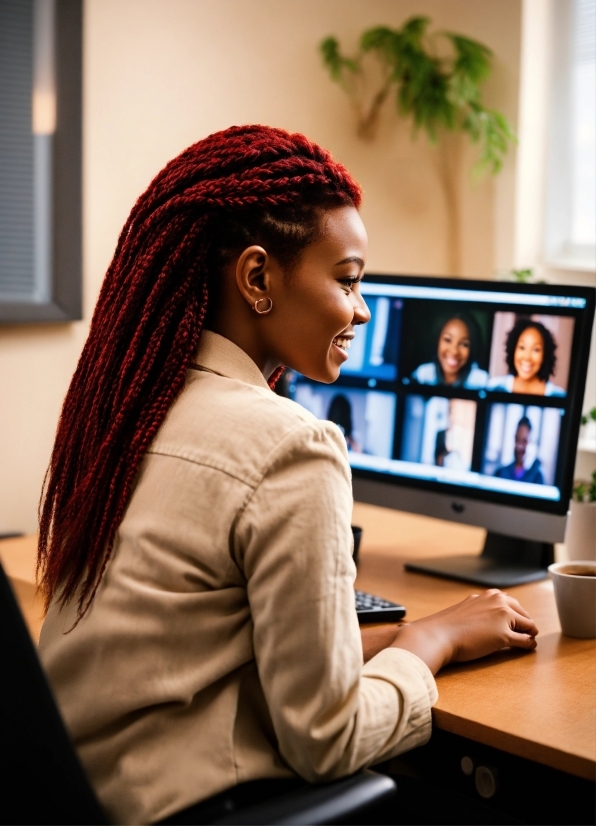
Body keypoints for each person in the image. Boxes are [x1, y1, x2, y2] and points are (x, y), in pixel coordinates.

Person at [36, 126, 538, 825]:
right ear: (256, 278)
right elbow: (324, 741)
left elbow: (199, 634)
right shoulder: (291, 445)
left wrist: (369, 637)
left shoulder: (132, 409)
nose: (362, 308)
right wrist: (434, 641)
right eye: (348, 279)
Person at [488, 318, 565, 396]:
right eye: (522, 347)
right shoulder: (493, 387)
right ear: (513, 349)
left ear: (545, 354)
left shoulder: (558, 395)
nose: (527, 357)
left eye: (536, 350)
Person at [411, 312, 488, 389]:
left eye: (464, 344)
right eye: (447, 340)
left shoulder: (482, 381)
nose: (454, 351)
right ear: (437, 340)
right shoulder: (422, 375)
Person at [494, 416, 544, 484]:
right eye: (517, 440)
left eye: (524, 441)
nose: (519, 446)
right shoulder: (500, 473)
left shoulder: (537, 478)